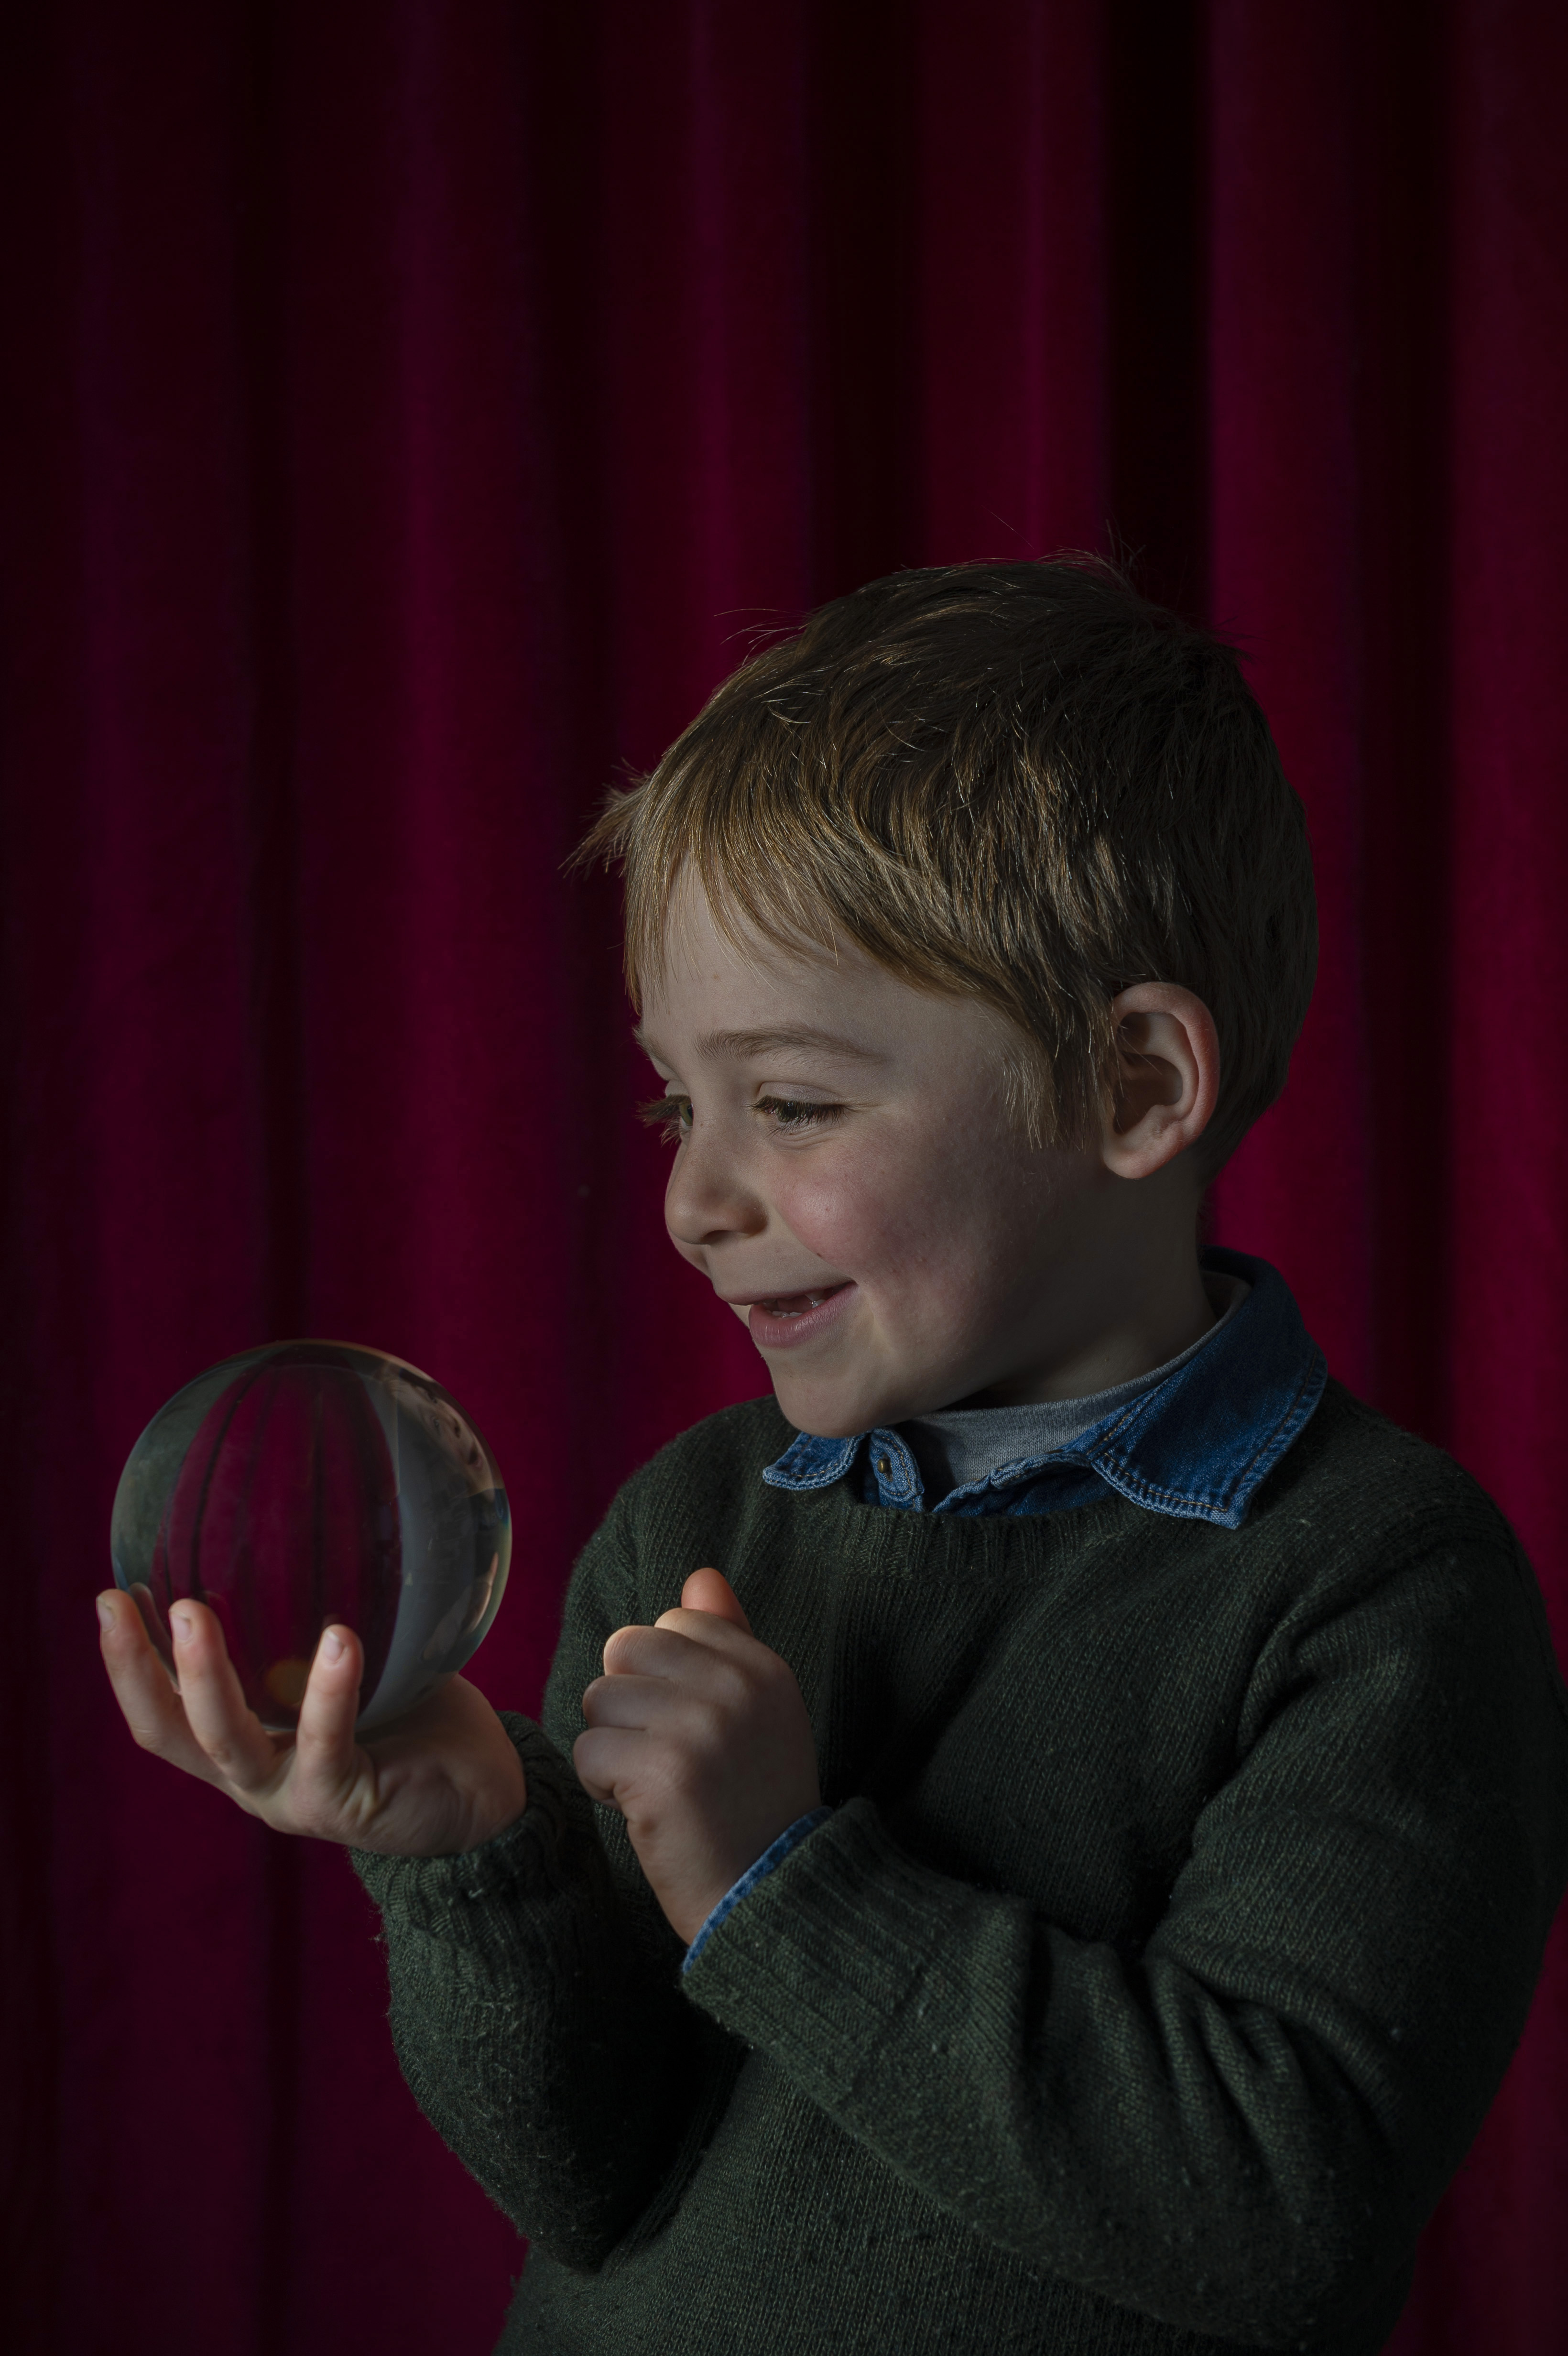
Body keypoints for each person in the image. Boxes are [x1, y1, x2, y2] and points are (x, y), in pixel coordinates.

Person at [99, 559, 1568, 2355]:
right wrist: (473, 1851)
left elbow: (1284, 2218)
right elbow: (592, 2180)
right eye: (677, 1102)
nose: (691, 1199)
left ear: (1132, 1087)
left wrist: (781, 1884)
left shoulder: (1377, 1589)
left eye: (790, 1104)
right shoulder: (696, 1523)